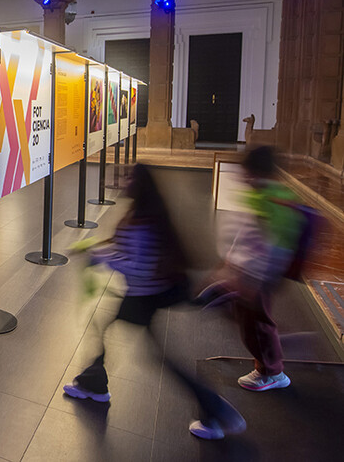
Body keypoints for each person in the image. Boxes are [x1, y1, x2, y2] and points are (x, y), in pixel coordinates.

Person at [61, 164, 246, 441]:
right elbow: (132, 252)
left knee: (154, 353)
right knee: (106, 327)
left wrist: (102, 258)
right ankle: (93, 382)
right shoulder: (145, 213)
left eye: (129, 178)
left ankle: (216, 409)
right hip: (151, 293)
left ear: (140, 184)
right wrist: (101, 249)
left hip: (143, 295)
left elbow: (138, 265)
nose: (123, 181)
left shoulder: (142, 222)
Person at [206, 146, 304, 393]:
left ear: (256, 171)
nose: (243, 177)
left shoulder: (270, 200)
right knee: (251, 321)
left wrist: (252, 279)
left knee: (256, 324)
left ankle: (271, 372)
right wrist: (229, 262)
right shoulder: (263, 195)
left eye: (247, 171)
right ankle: (271, 358)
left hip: (255, 276)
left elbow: (269, 246)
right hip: (249, 273)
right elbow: (246, 235)